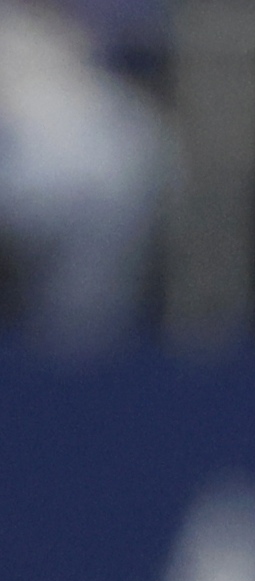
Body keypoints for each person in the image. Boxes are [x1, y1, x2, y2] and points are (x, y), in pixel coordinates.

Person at [0, 0, 168, 354]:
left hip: (84, 171)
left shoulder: (74, 43)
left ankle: (76, 358)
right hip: (20, 155)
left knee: (120, 175)